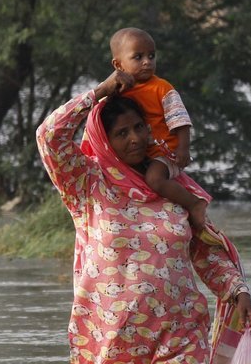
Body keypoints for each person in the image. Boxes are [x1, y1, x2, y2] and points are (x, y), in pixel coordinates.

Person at [36, 72, 251, 364]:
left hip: (179, 332)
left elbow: (207, 251)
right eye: (121, 133)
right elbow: (49, 136)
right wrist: (99, 93)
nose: (135, 139)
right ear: (104, 140)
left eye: (140, 127)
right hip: (115, 337)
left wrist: (238, 291)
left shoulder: (173, 188)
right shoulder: (87, 186)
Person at [84, 28, 208, 230]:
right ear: (118, 65)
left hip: (166, 152)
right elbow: (99, 115)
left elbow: (181, 121)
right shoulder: (119, 89)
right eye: (138, 57)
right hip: (146, 153)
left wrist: (183, 150)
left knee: (154, 179)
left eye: (151, 56)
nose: (147, 62)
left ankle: (195, 204)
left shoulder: (162, 88)